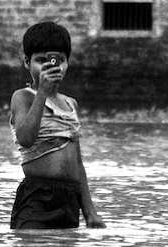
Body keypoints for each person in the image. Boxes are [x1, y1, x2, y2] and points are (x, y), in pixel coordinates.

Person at [8, 22, 106, 230]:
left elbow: (78, 164)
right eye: (40, 60)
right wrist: (42, 92)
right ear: (27, 63)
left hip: (70, 200)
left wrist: (89, 211)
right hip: (37, 197)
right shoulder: (23, 97)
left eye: (57, 60)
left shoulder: (71, 104)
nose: (49, 66)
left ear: (67, 63)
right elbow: (25, 140)